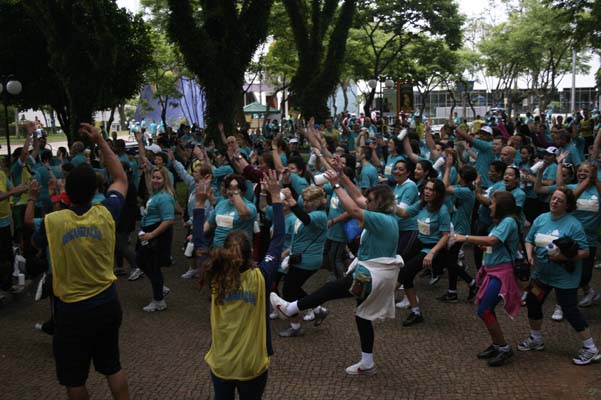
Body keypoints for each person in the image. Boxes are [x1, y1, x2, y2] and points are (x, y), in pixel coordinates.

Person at [270, 173, 402, 376]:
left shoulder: (382, 219)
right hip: (373, 271)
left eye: (371, 201)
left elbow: (354, 208)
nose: (367, 202)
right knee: (362, 316)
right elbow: (359, 198)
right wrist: (342, 176)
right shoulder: (385, 215)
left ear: (380, 203)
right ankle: (367, 363)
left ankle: (291, 308)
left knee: (331, 288)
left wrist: (337, 184)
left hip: (373, 274)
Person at [33, 123, 129, 399]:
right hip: (106, 302)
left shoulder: (53, 222)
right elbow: (120, 177)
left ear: (67, 192)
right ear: (94, 191)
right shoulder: (106, 213)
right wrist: (100, 141)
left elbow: (37, 241)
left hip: (71, 311)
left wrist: (49, 200)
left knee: (74, 378)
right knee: (112, 366)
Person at [194, 170, 284, 400]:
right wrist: (276, 197)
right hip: (251, 365)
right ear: (250, 255)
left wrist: (199, 202)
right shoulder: (261, 277)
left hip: (222, 363)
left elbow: (199, 241)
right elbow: (278, 239)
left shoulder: (214, 276)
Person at [519, 188, 599, 365]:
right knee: (533, 301)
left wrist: (563, 257)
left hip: (565, 278)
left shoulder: (573, 225)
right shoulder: (541, 219)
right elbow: (529, 239)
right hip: (541, 275)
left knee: (569, 310)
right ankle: (536, 338)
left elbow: (584, 252)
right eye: (553, 198)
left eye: (559, 200)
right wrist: (530, 255)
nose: (554, 202)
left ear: (567, 205)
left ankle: (591, 349)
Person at [452, 191, 522, 366]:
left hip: (501, 274)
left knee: (485, 310)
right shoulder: (503, 222)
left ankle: (504, 348)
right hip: (493, 271)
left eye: (492, 203)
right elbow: (494, 244)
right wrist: (486, 247)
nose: (489, 205)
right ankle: (498, 344)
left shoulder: (508, 221)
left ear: (501, 206)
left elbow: (492, 240)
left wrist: (465, 237)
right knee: (485, 310)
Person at [395, 179, 451, 326]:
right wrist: (387, 203)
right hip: (419, 243)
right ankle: (416, 311)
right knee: (403, 270)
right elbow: (404, 213)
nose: (427, 192)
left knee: (405, 272)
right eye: (426, 188)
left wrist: (432, 253)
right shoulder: (421, 205)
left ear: (438, 193)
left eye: (431, 190)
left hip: (431, 247)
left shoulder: (443, 210)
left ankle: (388, 301)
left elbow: (446, 235)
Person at [135, 163, 175, 312]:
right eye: (154, 177)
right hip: (148, 231)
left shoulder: (165, 197)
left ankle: (159, 300)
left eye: (159, 178)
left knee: (152, 265)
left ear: (165, 179)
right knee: (140, 260)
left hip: (157, 233)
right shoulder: (155, 194)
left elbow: (169, 220)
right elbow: (148, 185)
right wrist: (146, 173)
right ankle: (159, 287)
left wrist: (151, 234)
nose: (155, 180)